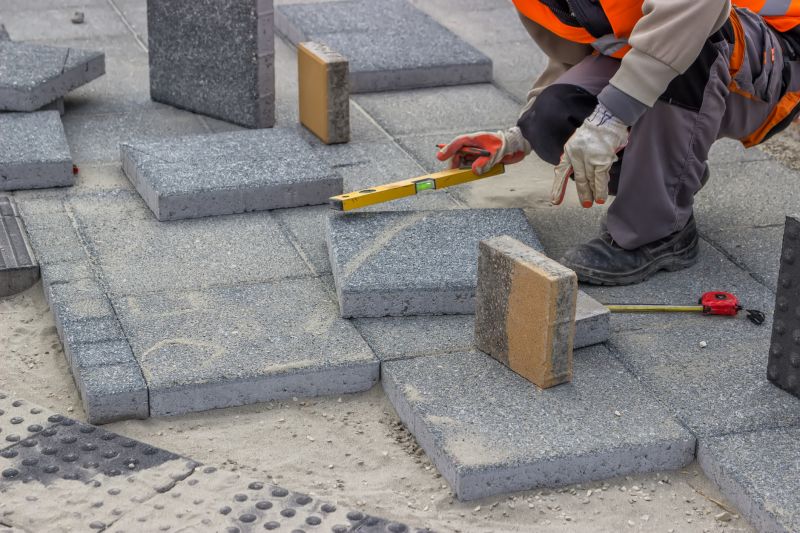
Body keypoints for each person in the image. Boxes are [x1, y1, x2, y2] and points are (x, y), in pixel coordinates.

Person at [438, 1, 800, 285]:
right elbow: (579, 52)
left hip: (770, 58)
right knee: (553, 117)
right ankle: (671, 173)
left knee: (693, 38)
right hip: (690, 44)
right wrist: (521, 134)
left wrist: (610, 119)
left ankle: (659, 231)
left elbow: (695, 12)